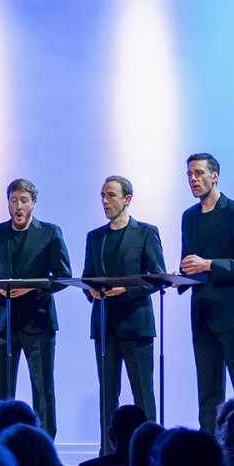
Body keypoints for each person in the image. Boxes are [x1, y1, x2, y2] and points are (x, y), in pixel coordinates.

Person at [0, 178, 72, 438]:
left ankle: (47, 445)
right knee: (2, 393)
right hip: (2, 322)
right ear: (7, 203)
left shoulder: (50, 232)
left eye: (24, 200)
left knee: (43, 389)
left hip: (38, 322)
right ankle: (0, 447)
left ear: (34, 204)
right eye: (13, 200)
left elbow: (62, 276)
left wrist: (31, 288)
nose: (18, 206)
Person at [179, 153, 234, 433]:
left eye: (199, 173)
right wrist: (180, 277)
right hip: (202, 313)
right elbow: (190, 263)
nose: (193, 179)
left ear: (215, 176)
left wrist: (209, 264)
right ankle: (209, 451)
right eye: (189, 174)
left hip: (231, 313)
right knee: (208, 392)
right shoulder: (188, 217)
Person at [83, 175, 166, 439]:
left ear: (127, 200)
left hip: (136, 325)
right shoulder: (95, 237)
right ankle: (108, 452)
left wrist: (127, 290)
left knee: (143, 394)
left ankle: (151, 451)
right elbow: (87, 276)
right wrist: (91, 291)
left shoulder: (146, 232)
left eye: (111, 195)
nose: (105, 201)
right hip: (105, 325)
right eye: (102, 196)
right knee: (107, 395)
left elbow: (158, 277)